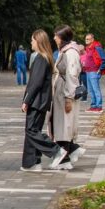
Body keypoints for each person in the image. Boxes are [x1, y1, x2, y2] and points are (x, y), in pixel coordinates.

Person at [20, 30, 68, 171]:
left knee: (31, 131)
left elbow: (36, 83)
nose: (31, 42)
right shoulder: (44, 58)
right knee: (33, 130)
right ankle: (32, 162)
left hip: (37, 101)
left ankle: (56, 151)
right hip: (40, 101)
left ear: (38, 41)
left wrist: (26, 100)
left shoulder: (41, 59)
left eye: (32, 40)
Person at [50, 25, 85, 170]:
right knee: (61, 124)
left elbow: (72, 75)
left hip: (65, 93)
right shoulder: (65, 51)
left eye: (56, 36)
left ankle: (64, 159)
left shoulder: (70, 52)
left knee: (64, 125)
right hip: (61, 92)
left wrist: (69, 98)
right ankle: (73, 150)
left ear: (62, 37)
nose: (54, 38)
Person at [83, 33, 105, 112]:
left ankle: (99, 106)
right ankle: (93, 105)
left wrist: (100, 69)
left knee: (96, 89)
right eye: (86, 39)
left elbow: (104, 59)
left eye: (88, 39)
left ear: (92, 39)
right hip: (88, 71)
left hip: (94, 71)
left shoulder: (97, 47)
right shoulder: (88, 48)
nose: (86, 40)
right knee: (90, 90)